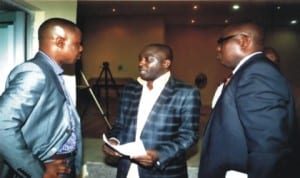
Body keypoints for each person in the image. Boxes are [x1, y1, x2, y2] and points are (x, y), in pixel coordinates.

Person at [198, 21, 299, 178]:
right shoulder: (247, 73)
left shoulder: (257, 73)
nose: (217, 48)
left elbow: (268, 147)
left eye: (221, 42)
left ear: (244, 41)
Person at [0, 18, 83, 178]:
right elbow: (2, 123)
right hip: (47, 168)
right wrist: (36, 171)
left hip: (62, 165)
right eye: (77, 43)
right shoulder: (35, 72)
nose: (81, 48)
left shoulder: (51, 71)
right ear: (59, 42)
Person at [103, 43, 201, 178]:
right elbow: (120, 125)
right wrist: (113, 141)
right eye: (140, 59)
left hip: (164, 172)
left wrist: (159, 154)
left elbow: (189, 135)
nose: (141, 63)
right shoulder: (130, 89)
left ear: (166, 63)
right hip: (127, 169)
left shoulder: (186, 93)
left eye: (148, 59)